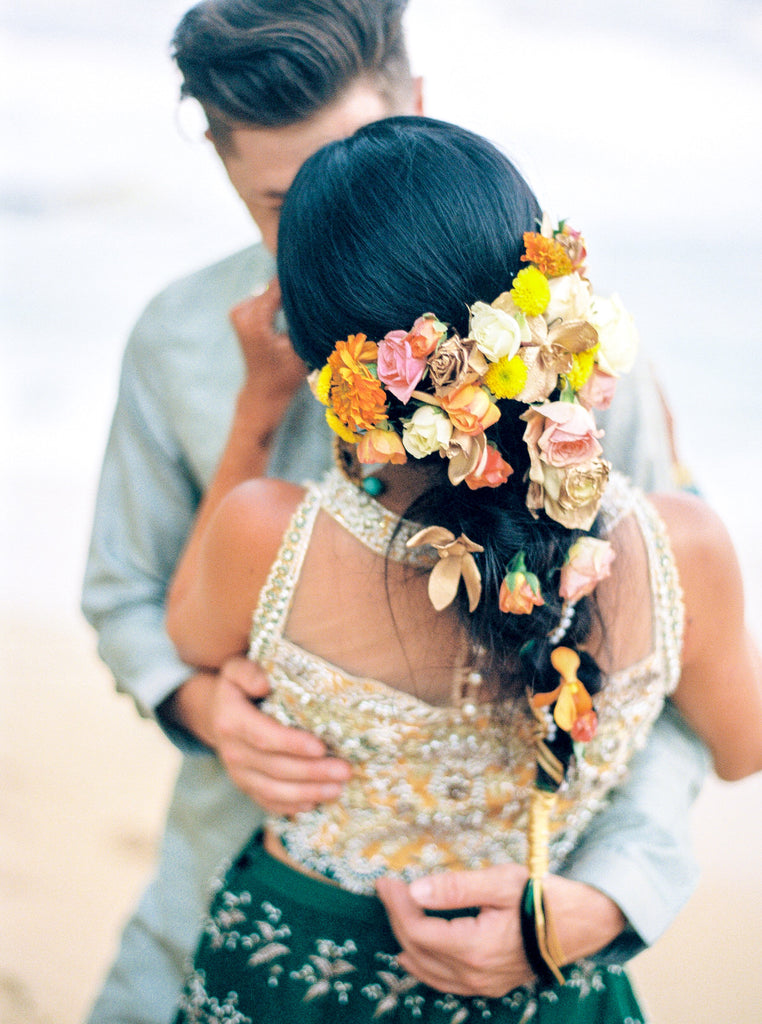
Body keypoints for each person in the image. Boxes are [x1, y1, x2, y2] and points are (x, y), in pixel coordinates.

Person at [81, 2, 709, 1021]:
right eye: (282, 199)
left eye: (357, 161)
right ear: (222, 164)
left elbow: (674, 651)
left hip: (519, 924)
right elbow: (121, 593)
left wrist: (609, 897)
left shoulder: (574, 364)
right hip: (227, 898)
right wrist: (197, 706)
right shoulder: (178, 338)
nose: (331, 228)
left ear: (415, 111)